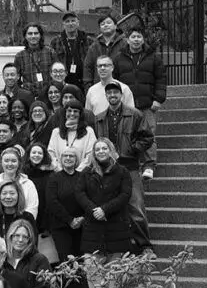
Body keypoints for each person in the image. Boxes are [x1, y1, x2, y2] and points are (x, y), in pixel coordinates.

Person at [93, 88, 154, 251]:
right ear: (105, 96)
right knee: (109, 208)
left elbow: (147, 137)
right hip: (108, 168)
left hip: (130, 166)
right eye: (109, 93)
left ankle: (145, 245)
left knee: (136, 207)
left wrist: (133, 149)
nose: (112, 96)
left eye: (116, 93)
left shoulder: (135, 114)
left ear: (121, 95)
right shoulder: (99, 118)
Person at [113, 25, 167, 181]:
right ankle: (132, 164)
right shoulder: (119, 58)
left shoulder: (153, 57)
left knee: (149, 135)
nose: (136, 40)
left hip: (147, 104)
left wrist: (158, 99)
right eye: (133, 37)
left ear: (143, 39)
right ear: (128, 39)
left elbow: (161, 79)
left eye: (139, 37)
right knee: (127, 136)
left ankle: (149, 165)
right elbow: (115, 81)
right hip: (128, 105)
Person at [75, 139, 133, 272]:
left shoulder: (122, 171)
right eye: (97, 149)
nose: (101, 151)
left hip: (116, 227)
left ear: (111, 150)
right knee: (93, 273)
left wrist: (105, 210)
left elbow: (125, 195)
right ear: (94, 153)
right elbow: (79, 193)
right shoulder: (87, 172)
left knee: (115, 276)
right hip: (93, 228)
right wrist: (93, 210)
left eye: (104, 148)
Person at [47, 103, 97, 171]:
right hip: (59, 175)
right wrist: (61, 172)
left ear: (80, 114)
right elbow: (51, 154)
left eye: (75, 111)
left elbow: (90, 155)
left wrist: (77, 173)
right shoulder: (56, 132)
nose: (72, 114)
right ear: (65, 113)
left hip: (82, 175)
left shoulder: (89, 131)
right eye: (69, 111)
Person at [83, 12, 127, 88]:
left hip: (120, 88)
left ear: (116, 26)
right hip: (98, 88)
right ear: (100, 28)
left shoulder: (125, 44)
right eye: (102, 24)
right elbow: (88, 68)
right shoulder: (94, 46)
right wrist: (88, 87)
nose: (105, 25)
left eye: (108, 23)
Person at [0, 148, 39, 221]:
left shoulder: (28, 184)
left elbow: (32, 209)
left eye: (14, 161)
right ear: (1, 163)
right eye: (6, 161)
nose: (10, 164)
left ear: (19, 163)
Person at [51, 11, 92, 90]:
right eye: (67, 21)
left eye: (73, 21)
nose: (70, 23)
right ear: (63, 24)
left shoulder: (88, 40)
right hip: (63, 82)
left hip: (83, 82)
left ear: (78, 23)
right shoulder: (55, 41)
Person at [14, 22, 55, 98]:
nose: (33, 36)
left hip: (48, 95)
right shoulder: (19, 56)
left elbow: (56, 74)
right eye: (30, 33)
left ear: (40, 35)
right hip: (29, 96)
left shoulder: (50, 52)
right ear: (25, 36)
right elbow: (16, 79)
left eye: (36, 33)